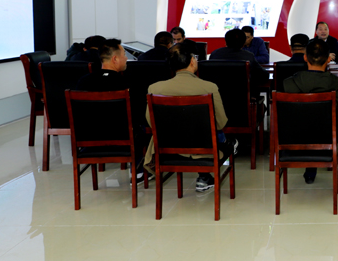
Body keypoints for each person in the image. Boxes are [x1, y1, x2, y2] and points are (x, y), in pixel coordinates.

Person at [144, 44, 236, 193]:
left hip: (168, 148)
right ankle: (205, 176)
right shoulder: (209, 87)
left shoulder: (155, 88)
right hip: (204, 148)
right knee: (224, 139)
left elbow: (151, 123)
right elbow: (220, 123)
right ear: (193, 61)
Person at [76, 39, 152, 184]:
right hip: (124, 140)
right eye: (124, 54)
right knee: (145, 125)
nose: (127, 58)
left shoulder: (83, 82)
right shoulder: (128, 83)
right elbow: (140, 113)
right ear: (115, 59)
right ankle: (139, 170)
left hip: (90, 140)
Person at [283, 39, 338, 184]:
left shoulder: (288, 83)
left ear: (305, 57)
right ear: (328, 59)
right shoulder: (337, 84)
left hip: (292, 140)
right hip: (325, 140)